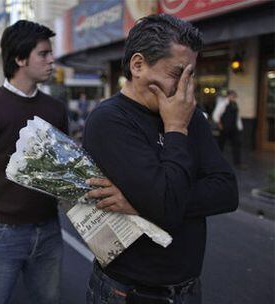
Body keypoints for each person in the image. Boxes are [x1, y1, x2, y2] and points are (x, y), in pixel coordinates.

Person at [83, 14, 239, 304]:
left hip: (188, 287)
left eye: (190, 76)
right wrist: (176, 128)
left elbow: (227, 191)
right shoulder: (110, 120)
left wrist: (139, 205)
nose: (184, 89)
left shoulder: (188, 113)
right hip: (128, 291)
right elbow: (165, 205)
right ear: (138, 65)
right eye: (176, 74)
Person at [0, 20, 68, 304]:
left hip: (48, 230)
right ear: (20, 59)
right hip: (0, 233)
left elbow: (60, 167)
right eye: (43, 53)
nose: (51, 59)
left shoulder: (55, 110)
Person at [212, 90, 245, 169]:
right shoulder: (223, 103)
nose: (235, 98)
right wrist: (220, 125)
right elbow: (215, 115)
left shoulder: (235, 104)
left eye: (235, 96)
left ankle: (238, 163)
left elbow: (237, 117)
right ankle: (216, 162)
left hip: (234, 128)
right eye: (233, 96)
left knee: (236, 145)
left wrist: (240, 127)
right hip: (225, 128)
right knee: (220, 145)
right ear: (229, 96)